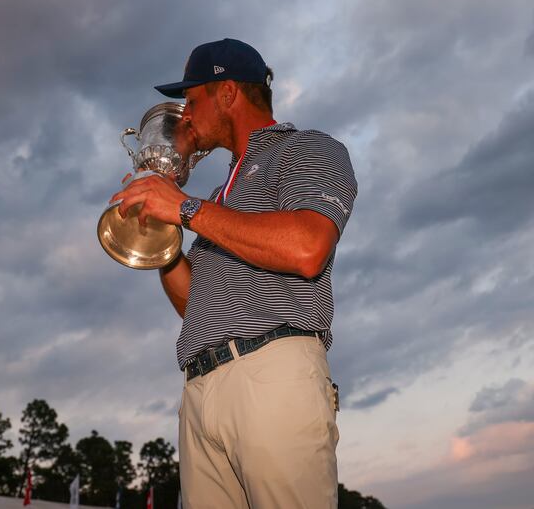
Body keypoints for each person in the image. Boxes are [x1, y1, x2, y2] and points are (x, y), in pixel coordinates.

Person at [111, 38, 357, 508]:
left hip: (272, 376)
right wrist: (162, 239)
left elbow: (307, 247)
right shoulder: (223, 194)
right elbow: (193, 304)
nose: (184, 115)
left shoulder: (309, 149)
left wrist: (184, 208)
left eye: (192, 99)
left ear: (227, 94)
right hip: (201, 389)